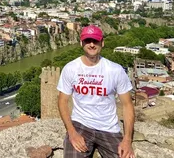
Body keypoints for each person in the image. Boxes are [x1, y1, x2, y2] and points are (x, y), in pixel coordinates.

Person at [57, 25, 135, 158]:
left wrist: (127, 140)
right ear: (81, 43)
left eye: (95, 41)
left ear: (102, 43)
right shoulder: (71, 68)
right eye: (88, 41)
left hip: (108, 128)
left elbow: (127, 105)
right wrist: (72, 132)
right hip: (81, 125)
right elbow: (62, 101)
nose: (92, 44)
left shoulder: (115, 70)